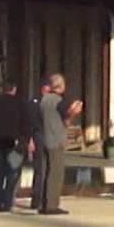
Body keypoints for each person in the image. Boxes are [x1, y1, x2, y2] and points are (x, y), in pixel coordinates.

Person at [0, 81, 31, 212]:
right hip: (14, 145)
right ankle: (8, 203)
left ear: (2, 90)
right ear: (14, 89)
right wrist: (26, 140)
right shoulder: (21, 104)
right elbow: (26, 124)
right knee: (13, 174)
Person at [39, 73, 83, 215]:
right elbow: (67, 118)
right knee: (56, 173)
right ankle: (52, 205)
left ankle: (43, 203)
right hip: (56, 140)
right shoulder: (59, 101)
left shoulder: (44, 100)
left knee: (46, 172)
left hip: (45, 138)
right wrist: (75, 111)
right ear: (61, 86)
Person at [28, 79, 51, 210]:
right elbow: (31, 123)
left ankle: (45, 199)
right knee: (39, 170)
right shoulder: (34, 103)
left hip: (49, 138)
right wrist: (30, 140)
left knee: (48, 170)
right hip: (38, 137)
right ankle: (36, 200)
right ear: (42, 90)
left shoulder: (51, 104)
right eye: (47, 91)